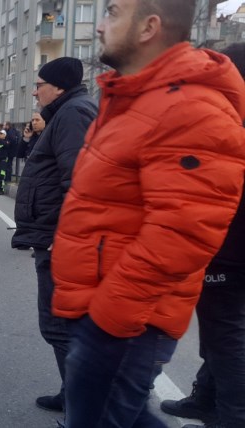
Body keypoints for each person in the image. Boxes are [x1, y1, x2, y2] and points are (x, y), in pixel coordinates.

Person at [49, 1, 245, 426]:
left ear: (149, 27)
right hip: (105, 311)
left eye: (114, 13)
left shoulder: (189, 107)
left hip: (125, 322)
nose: (101, 25)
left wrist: (108, 318)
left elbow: (183, 232)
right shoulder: (136, 100)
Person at [159, 42, 245, 428]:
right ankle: (206, 398)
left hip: (229, 247)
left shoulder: (229, 121)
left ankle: (233, 416)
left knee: (226, 334)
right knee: (221, 332)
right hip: (228, 244)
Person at [10, 56, 98, 413]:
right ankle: (75, 395)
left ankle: (81, 403)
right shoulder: (68, 111)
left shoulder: (74, 113)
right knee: (60, 324)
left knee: (59, 324)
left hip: (60, 239)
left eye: (40, 84)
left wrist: (62, 237)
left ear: (58, 86)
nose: (34, 92)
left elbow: (79, 181)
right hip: (56, 234)